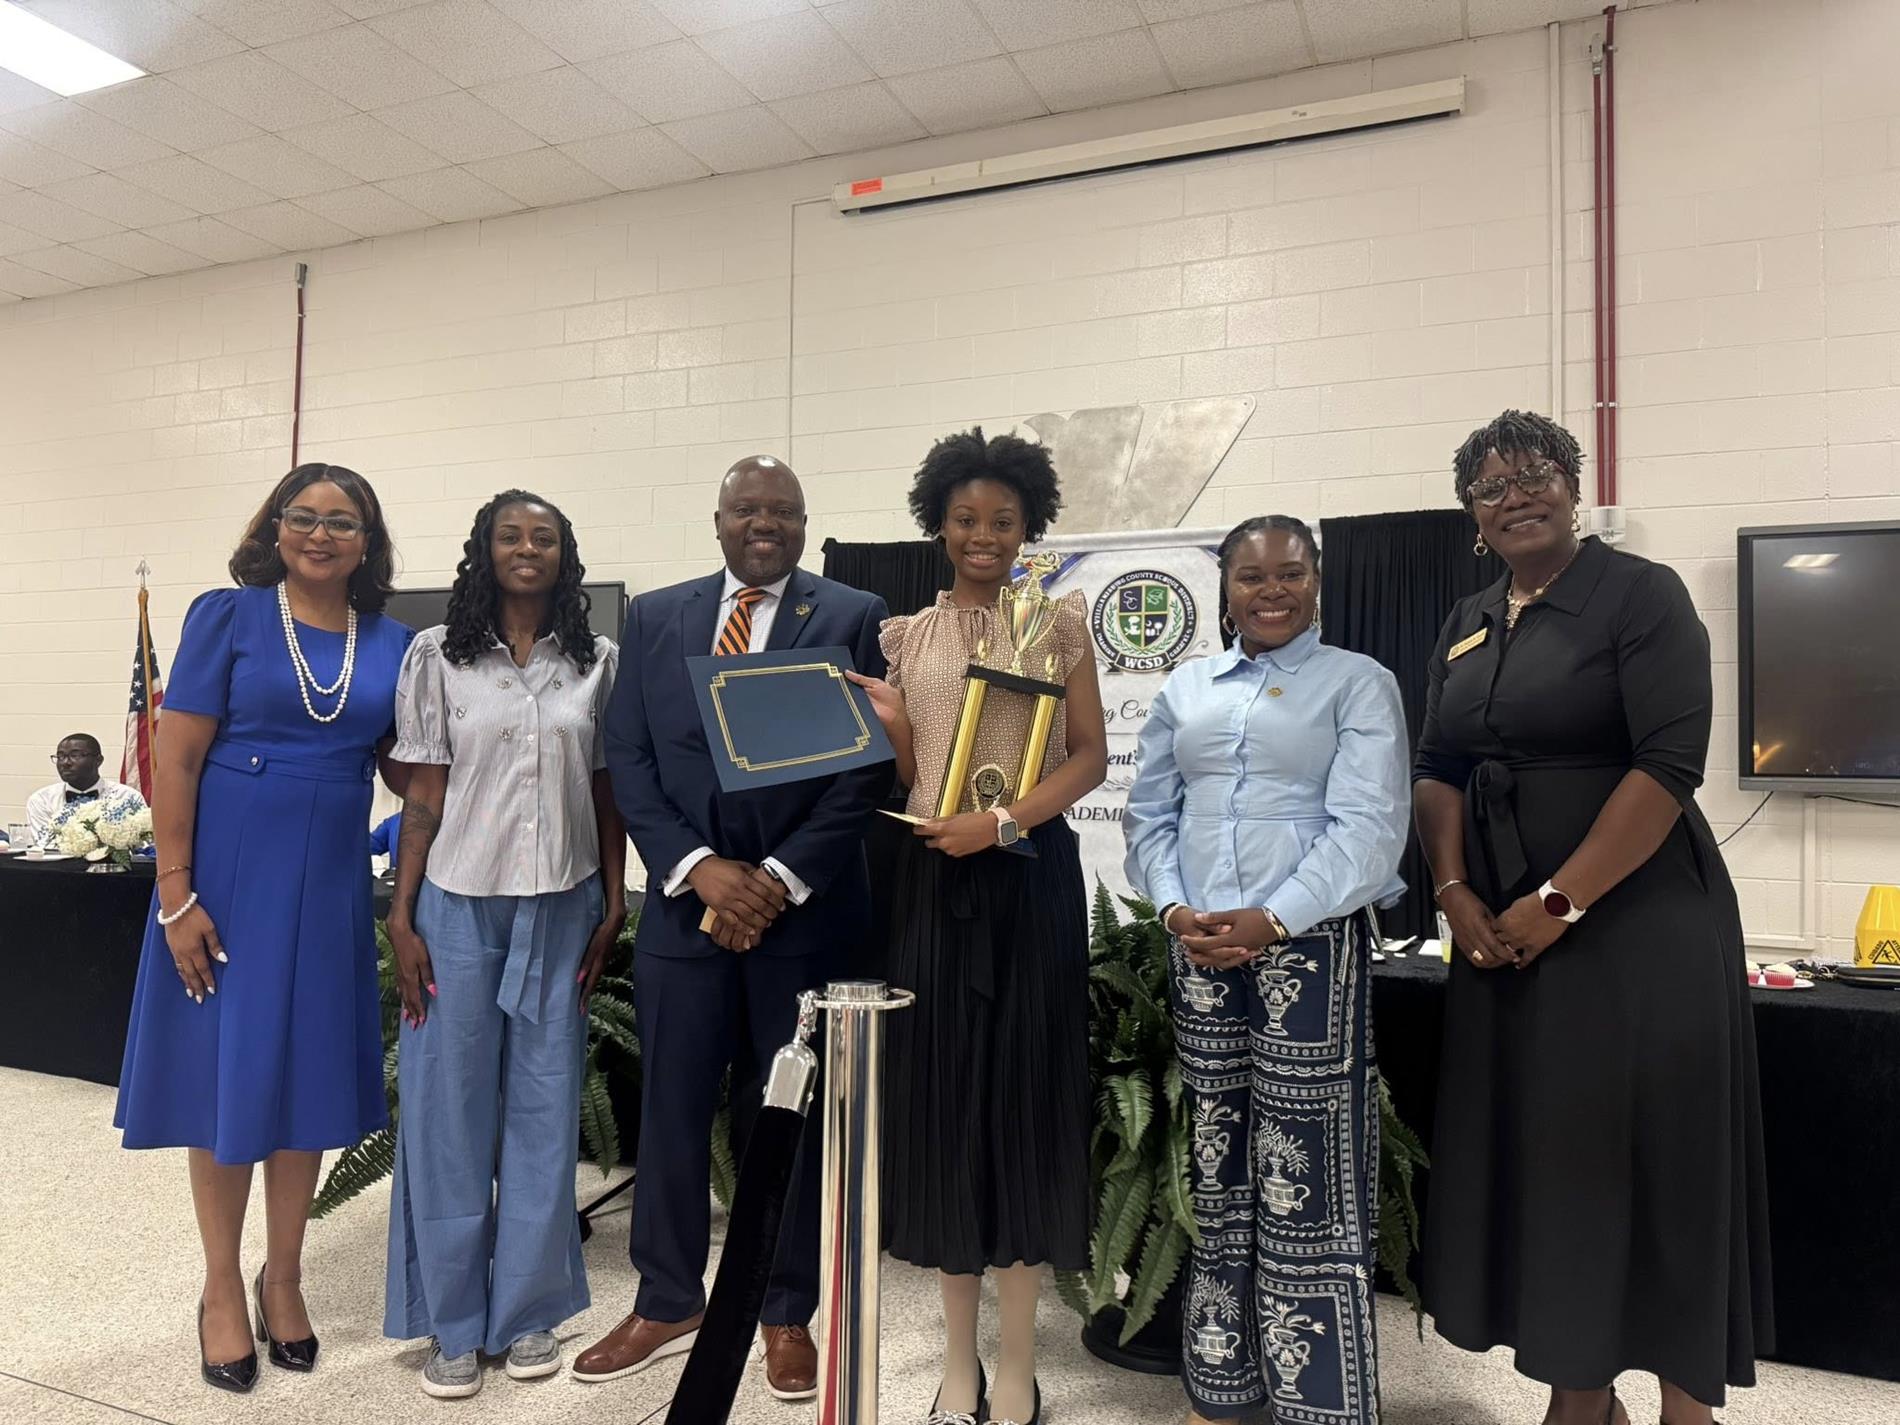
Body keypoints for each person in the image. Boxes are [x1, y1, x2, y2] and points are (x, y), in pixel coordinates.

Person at [1413, 410, 1773, 1425]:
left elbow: (1667, 766)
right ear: (1472, 516)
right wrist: (1451, 891)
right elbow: (1437, 766)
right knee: (1560, 1165)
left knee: (1659, 1160)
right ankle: (1579, 1391)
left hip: (1636, 925)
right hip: (1505, 935)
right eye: (1489, 486)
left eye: (1534, 473)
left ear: (1573, 484)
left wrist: (1562, 900)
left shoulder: (1639, 596)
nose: (1515, 493)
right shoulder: (1468, 615)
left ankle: (1684, 1407)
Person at [579, 455, 890, 1401]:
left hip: (804, 916)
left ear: (804, 523)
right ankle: (667, 1296)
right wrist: (699, 869)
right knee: (671, 1109)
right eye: (748, 509)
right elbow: (628, 756)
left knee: (783, 1115)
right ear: (717, 520)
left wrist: (776, 879)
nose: (766, 523)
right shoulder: (657, 616)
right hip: (683, 910)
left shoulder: (851, 614)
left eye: (784, 511)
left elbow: (865, 767)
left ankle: (782, 1306)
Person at [113, 464, 412, 1393]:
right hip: (230, 876)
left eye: (342, 521)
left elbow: (409, 766)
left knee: (308, 1074)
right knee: (228, 1076)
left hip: (327, 878)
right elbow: (178, 755)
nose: (321, 533)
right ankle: (219, 1288)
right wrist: (176, 894)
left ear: (368, 542)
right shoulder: (228, 616)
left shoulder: (396, 641)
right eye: (303, 516)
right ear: (275, 529)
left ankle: (283, 1276)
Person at [1123, 516, 1408, 1425]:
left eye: (1290, 573)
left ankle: (1315, 1402)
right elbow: (1149, 816)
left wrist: (1275, 916)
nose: (1271, 590)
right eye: (1252, 576)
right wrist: (1173, 906)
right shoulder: (1187, 684)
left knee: (1305, 1169)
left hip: (1311, 949)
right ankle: (1223, 1385)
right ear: (1227, 586)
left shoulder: (1359, 683)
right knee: (1221, 1163)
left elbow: (1368, 826)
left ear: (1317, 580)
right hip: (1200, 943)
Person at [849, 428, 1107, 1425]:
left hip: (1027, 880)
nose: (983, 534)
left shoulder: (1056, 622)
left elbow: (1085, 757)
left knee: (1022, 1110)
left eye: (1002, 520)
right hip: (931, 888)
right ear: (938, 525)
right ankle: (957, 1359)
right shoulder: (907, 635)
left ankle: (1014, 1365)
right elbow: (920, 770)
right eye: (965, 519)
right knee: (947, 1106)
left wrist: (1002, 821)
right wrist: (894, 731)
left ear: (1028, 525)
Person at [382, 490, 626, 1399]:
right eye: (511, 536)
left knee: (543, 1109)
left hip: (562, 906)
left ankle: (524, 1312)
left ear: (566, 554)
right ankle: (452, 1322)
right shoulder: (436, 655)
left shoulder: (594, 661)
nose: (528, 549)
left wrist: (610, 900)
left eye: (546, 537)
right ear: (483, 550)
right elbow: (423, 796)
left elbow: (604, 787)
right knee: (449, 1114)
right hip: (456, 906)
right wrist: (403, 916)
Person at [26, 733, 147, 848]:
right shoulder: (42, 800)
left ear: (98, 760)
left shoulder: (127, 797)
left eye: (75, 755)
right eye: (60, 756)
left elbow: (143, 844)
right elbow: (46, 845)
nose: (65, 763)